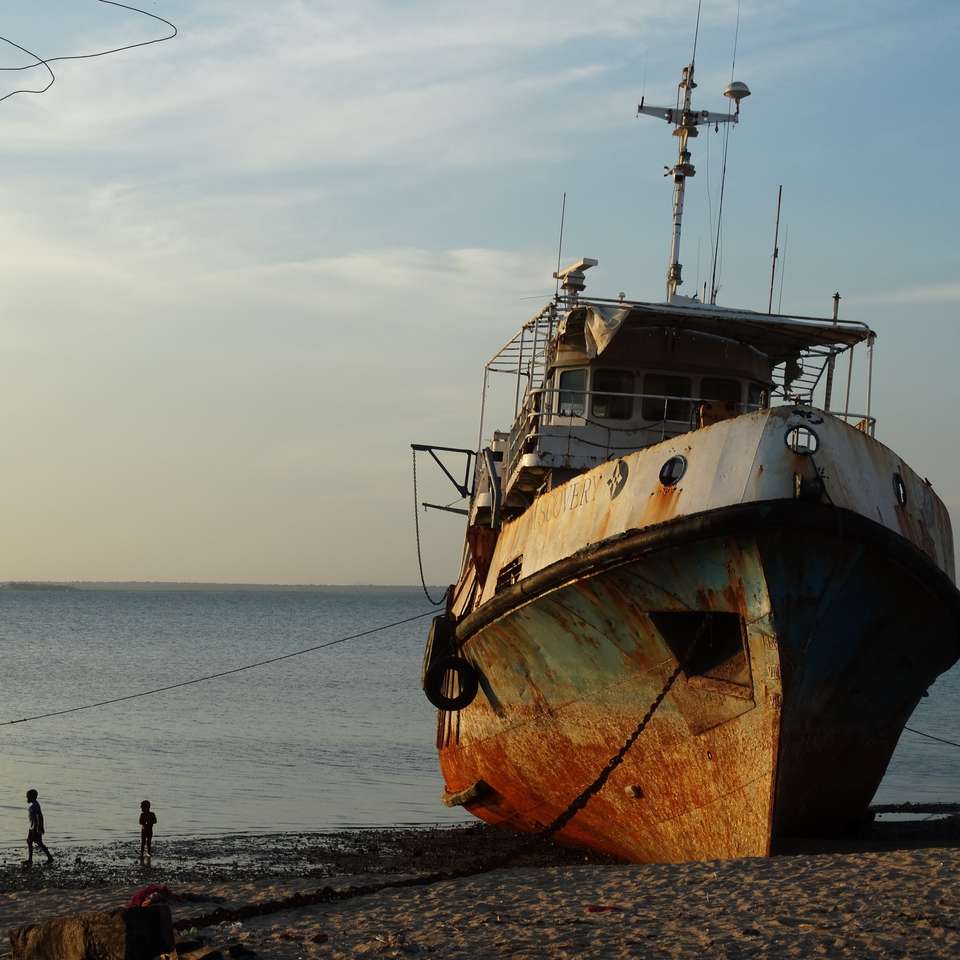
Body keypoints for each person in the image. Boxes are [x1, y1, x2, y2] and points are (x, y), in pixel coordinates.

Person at [25, 788, 53, 867]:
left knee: (39, 842)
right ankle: (30, 859)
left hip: (35, 827)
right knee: (29, 841)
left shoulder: (35, 805)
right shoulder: (34, 805)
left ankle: (49, 857)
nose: (27, 798)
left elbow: (39, 816)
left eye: (28, 797)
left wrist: (39, 827)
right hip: (32, 827)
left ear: (33, 797)